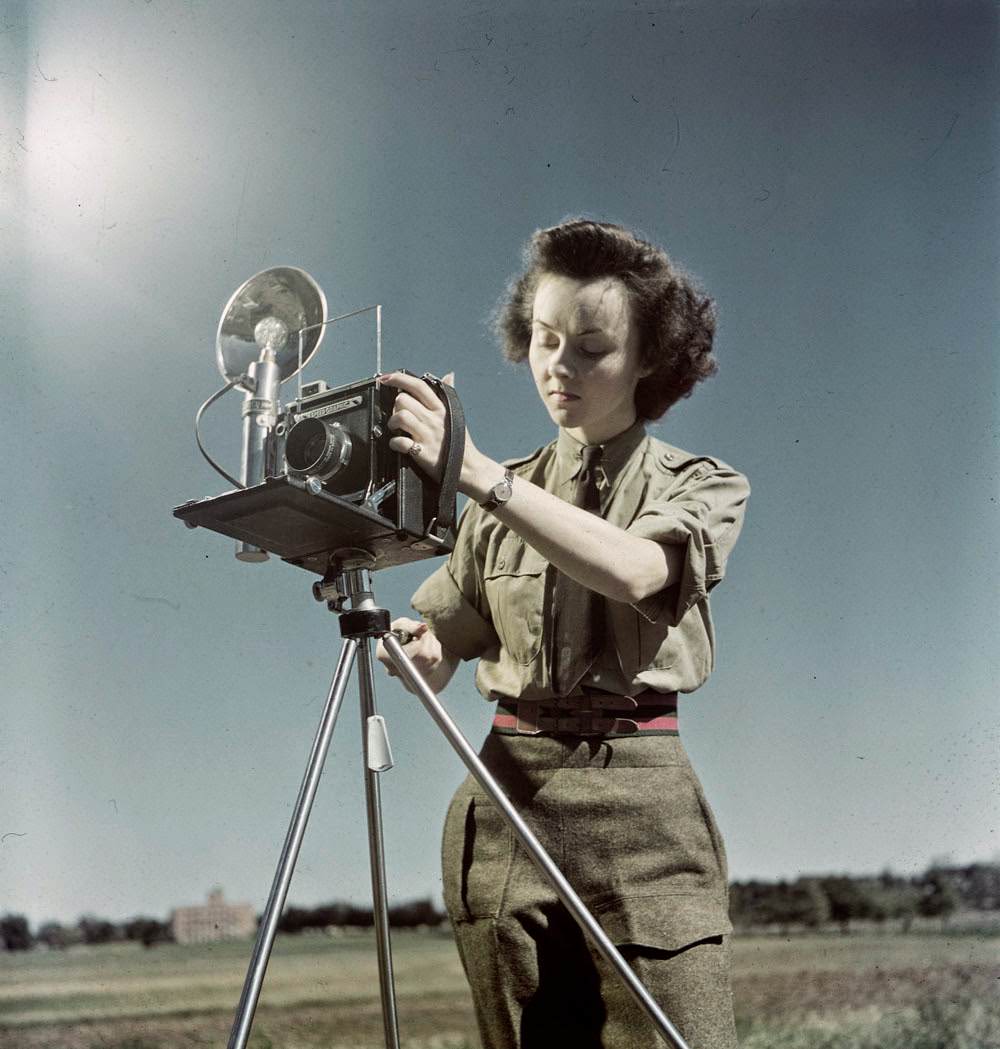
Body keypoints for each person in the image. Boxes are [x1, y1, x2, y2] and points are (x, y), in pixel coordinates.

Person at [375, 219, 749, 1049]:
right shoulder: (495, 507)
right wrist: (418, 648)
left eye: (590, 346)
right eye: (545, 340)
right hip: (506, 801)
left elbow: (637, 572)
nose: (558, 366)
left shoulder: (703, 484)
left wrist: (477, 473)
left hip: (644, 808)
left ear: (650, 357)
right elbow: (444, 644)